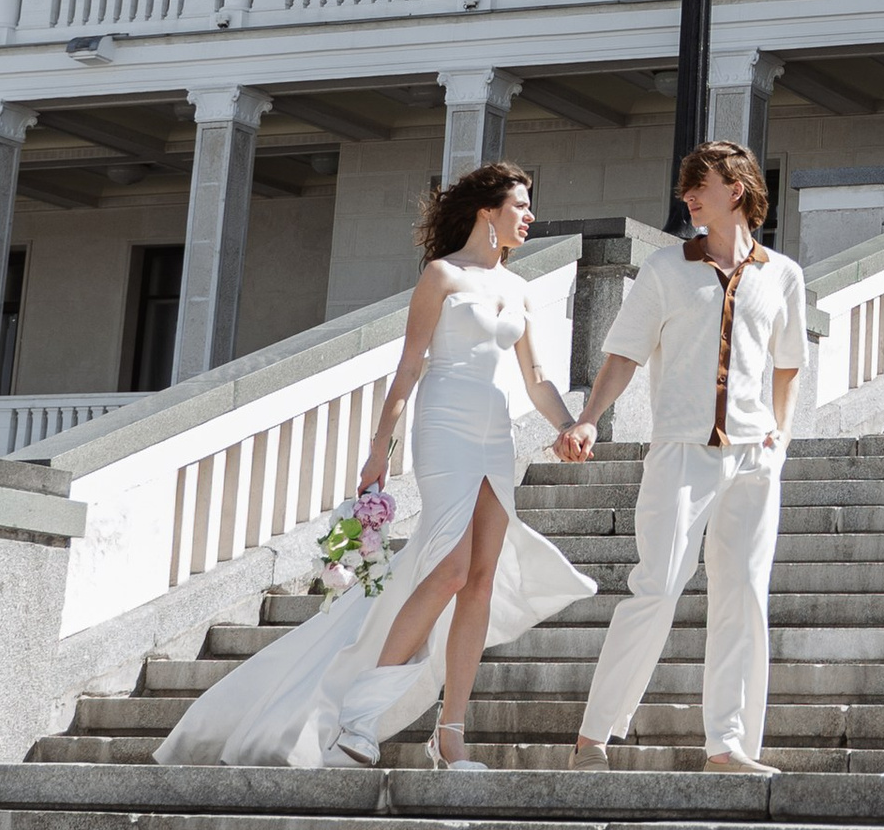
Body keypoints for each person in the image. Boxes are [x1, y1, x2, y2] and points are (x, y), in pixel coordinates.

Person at [155, 161, 593, 772]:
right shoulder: (440, 276)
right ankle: (359, 722)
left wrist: (568, 424)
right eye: (520, 205)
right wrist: (379, 450)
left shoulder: (518, 288)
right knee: (448, 569)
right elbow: (409, 367)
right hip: (443, 425)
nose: (530, 216)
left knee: (482, 581)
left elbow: (538, 378)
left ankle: (451, 737)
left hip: (494, 432)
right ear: (487, 210)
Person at [557, 139, 807, 772]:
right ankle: (594, 738)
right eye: (686, 188)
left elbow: (788, 367)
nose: (689, 197)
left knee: (744, 597)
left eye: (701, 186)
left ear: (738, 190)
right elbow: (623, 355)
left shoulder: (783, 275)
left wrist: (780, 436)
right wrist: (589, 420)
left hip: (754, 459)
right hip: (680, 454)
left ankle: (729, 746)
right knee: (658, 587)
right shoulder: (667, 270)